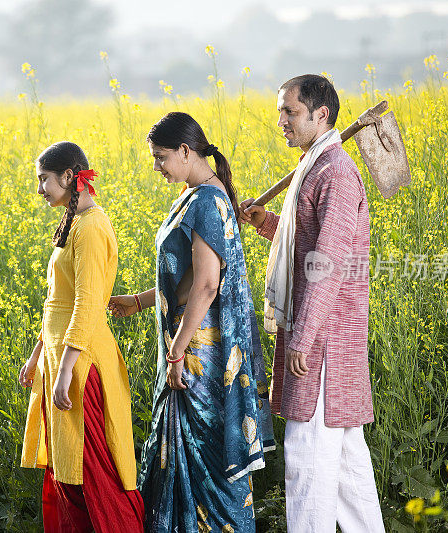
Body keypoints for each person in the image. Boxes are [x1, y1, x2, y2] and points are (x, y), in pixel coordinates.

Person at [109, 112, 275, 532]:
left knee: (207, 464)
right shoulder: (205, 193)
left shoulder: (204, 200)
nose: (157, 167)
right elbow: (185, 280)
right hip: (200, 349)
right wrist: (140, 301)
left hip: (201, 357)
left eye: (161, 157)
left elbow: (205, 286)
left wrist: (176, 351)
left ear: (186, 151)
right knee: (198, 461)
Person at [239, 74, 385, 532]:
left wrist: (302, 338)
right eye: (280, 110)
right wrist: (268, 223)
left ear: (320, 115)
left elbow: (328, 262)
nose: (280, 120)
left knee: (307, 461)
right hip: (324, 339)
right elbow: (310, 238)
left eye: (290, 111)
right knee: (345, 469)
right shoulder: (316, 167)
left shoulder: (335, 173)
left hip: (324, 345)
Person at [19, 141, 144, 532]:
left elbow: (89, 304)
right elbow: (58, 300)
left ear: (69, 177)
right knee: (68, 472)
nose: (40, 190)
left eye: (44, 180)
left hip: (82, 365)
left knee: (95, 472)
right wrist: (38, 355)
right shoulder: (74, 221)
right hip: (62, 358)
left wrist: (66, 370)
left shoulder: (90, 228)